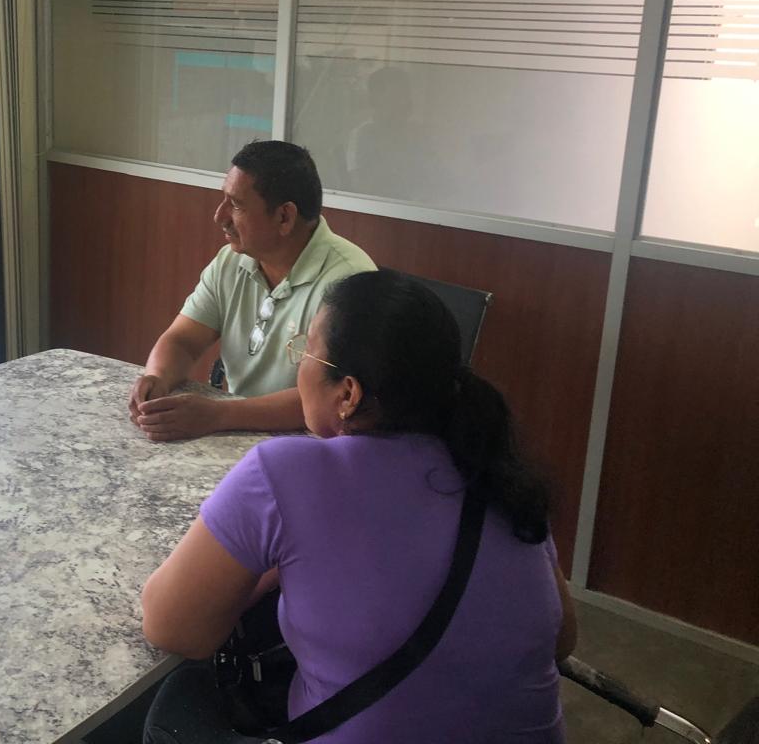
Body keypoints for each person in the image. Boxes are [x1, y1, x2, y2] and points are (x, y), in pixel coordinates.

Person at [141, 269, 576, 743]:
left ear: (348, 393)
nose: (300, 366)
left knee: (177, 703)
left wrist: (265, 575)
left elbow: (173, 628)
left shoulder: (284, 473)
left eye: (306, 352)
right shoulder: (496, 469)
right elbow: (560, 641)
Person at [128, 141, 374, 441]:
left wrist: (218, 415)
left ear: (284, 217)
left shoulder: (350, 282)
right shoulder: (231, 260)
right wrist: (156, 377)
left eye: (236, 205)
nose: (219, 216)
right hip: (236, 431)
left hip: (308, 444)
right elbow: (183, 340)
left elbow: (333, 397)